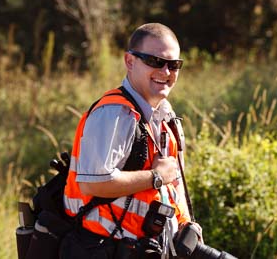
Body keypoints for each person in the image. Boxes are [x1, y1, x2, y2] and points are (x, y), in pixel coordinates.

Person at [60, 23, 202, 258]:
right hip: (102, 248)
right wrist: (155, 177)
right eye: (155, 62)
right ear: (130, 61)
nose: (166, 72)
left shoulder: (166, 116)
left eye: (173, 65)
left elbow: (173, 184)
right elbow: (92, 183)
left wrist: (187, 225)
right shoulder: (115, 113)